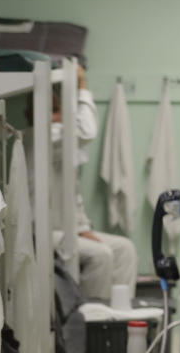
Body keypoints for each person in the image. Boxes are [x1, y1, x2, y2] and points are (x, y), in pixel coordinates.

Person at [49, 65, 138, 301]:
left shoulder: (65, 149)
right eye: (54, 110)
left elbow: (72, 198)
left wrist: (85, 230)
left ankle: (119, 319)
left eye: (58, 109)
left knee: (124, 249)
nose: (59, 117)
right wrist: (82, 85)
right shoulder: (41, 139)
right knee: (101, 255)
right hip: (43, 232)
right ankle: (90, 326)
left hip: (67, 230)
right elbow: (86, 130)